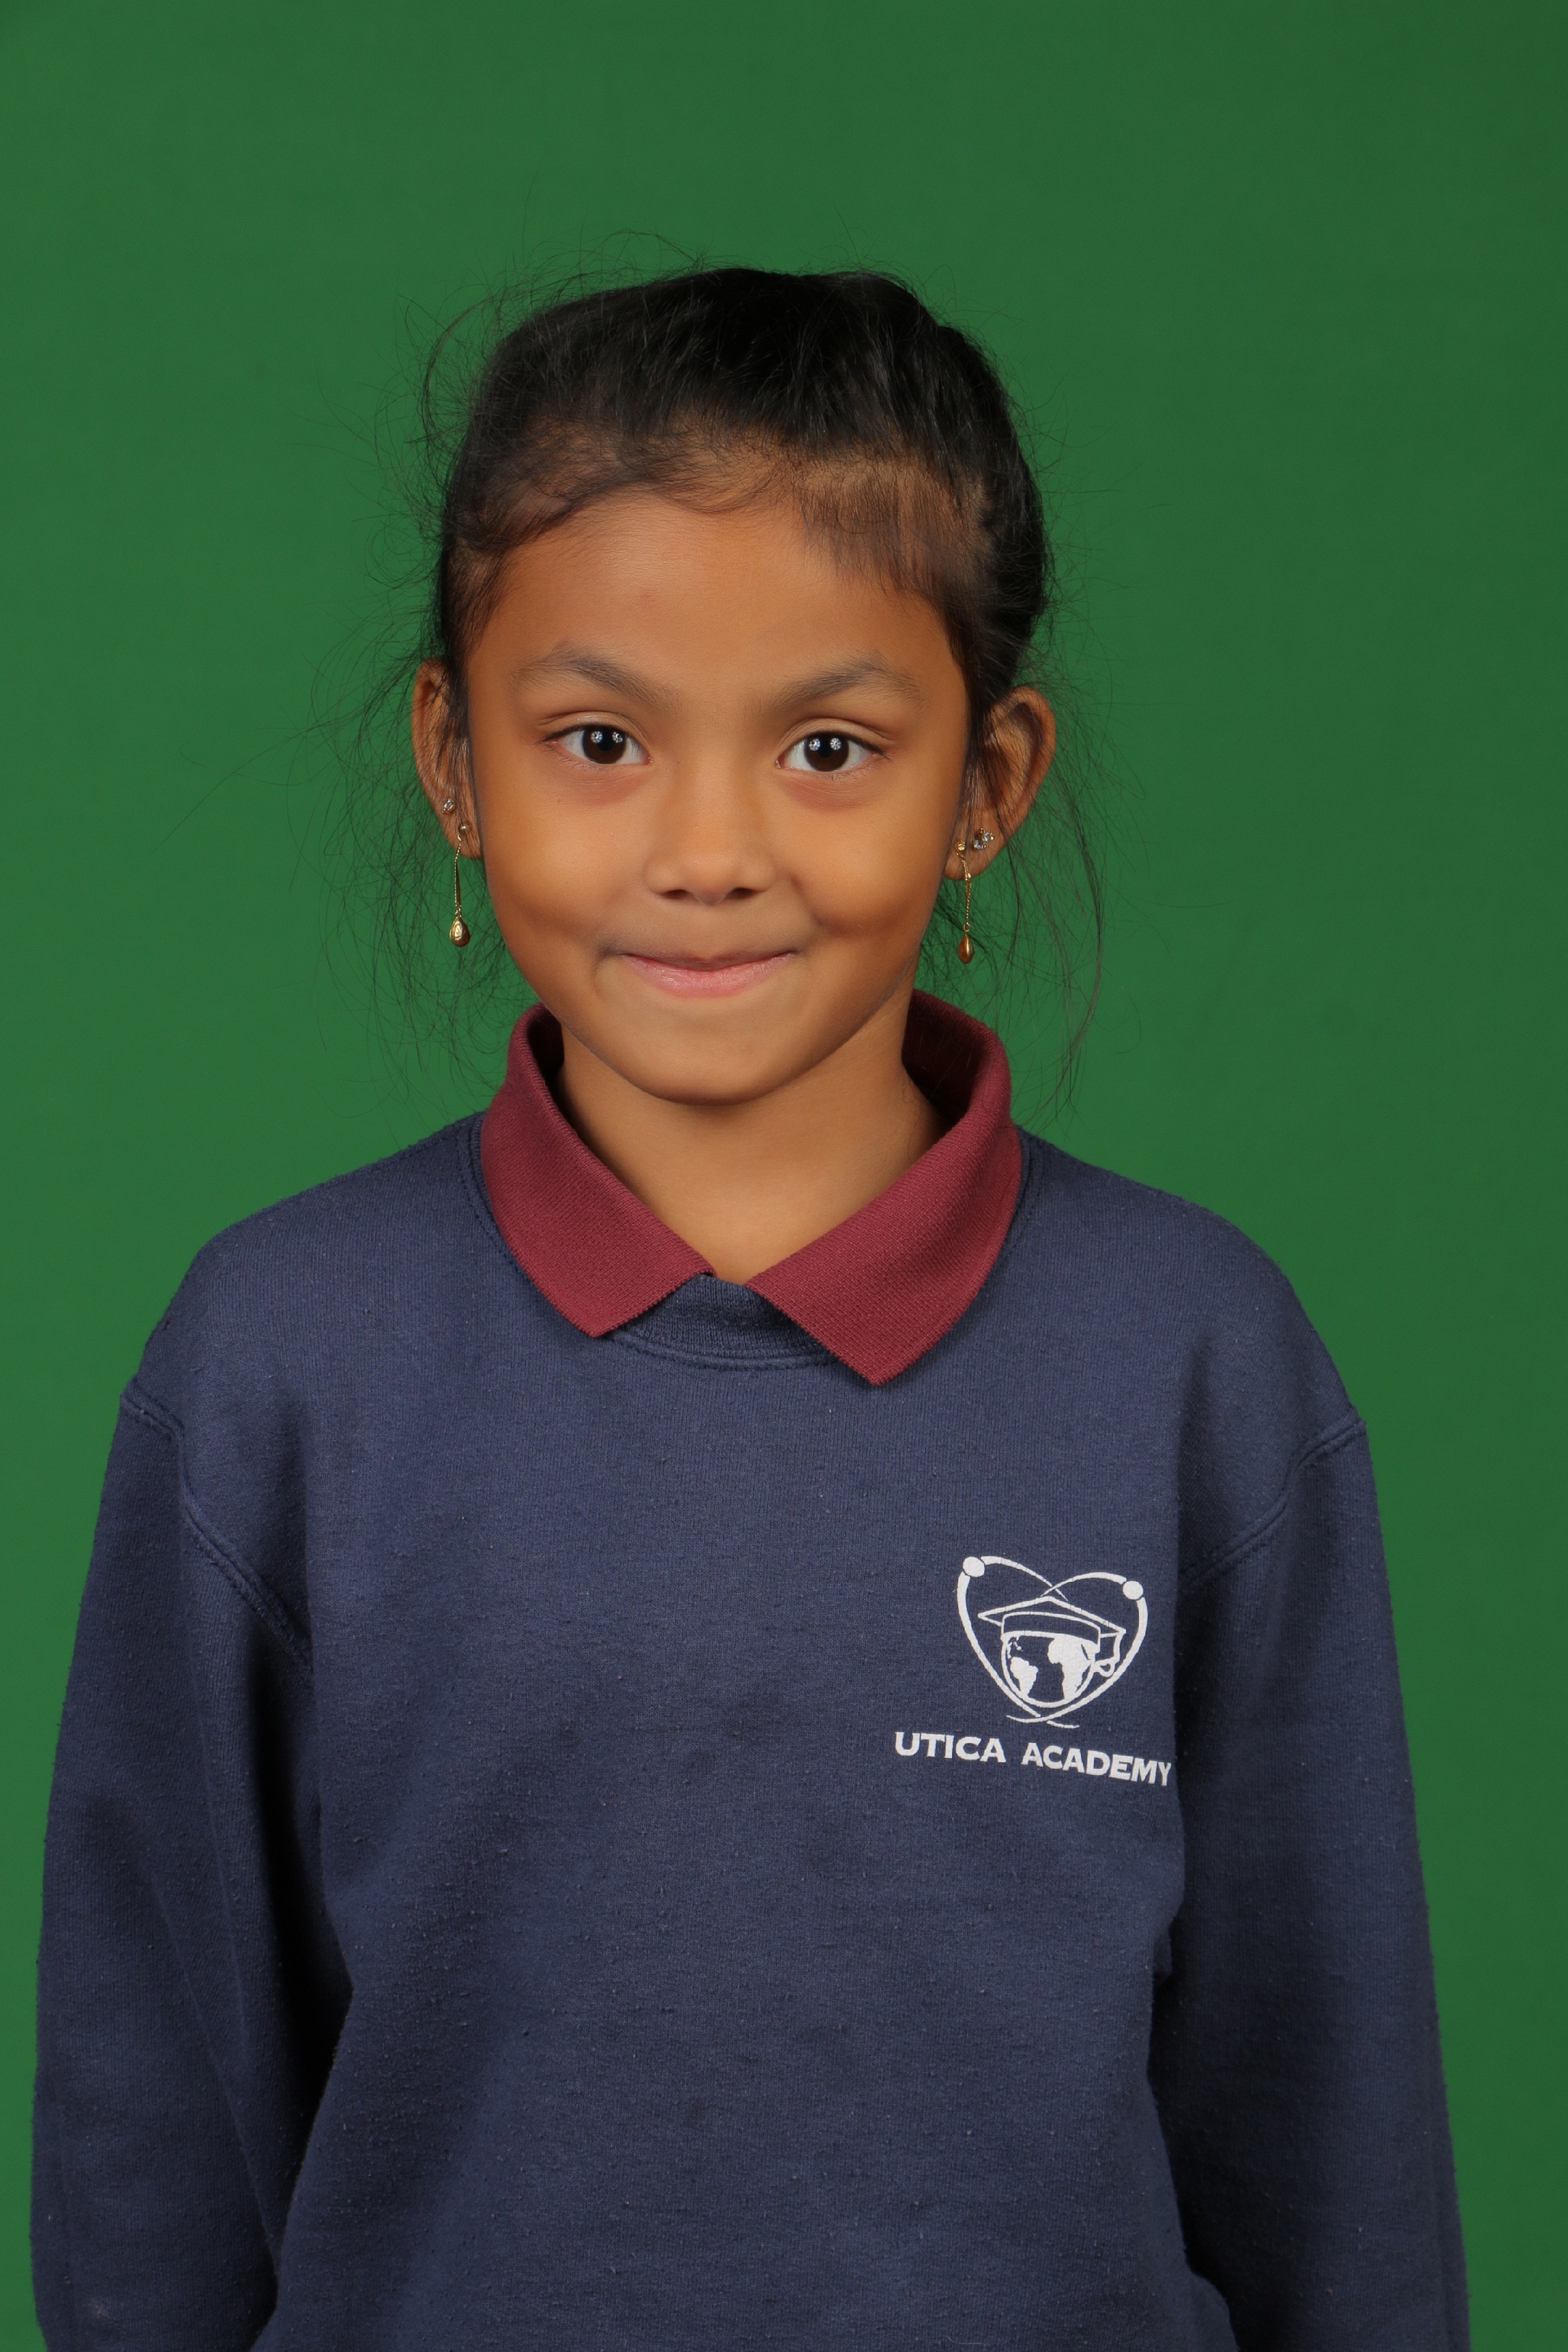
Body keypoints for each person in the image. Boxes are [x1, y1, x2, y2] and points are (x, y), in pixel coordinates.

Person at [32, 267, 1468, 2351]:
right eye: (599, 739)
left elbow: (1333, 2157)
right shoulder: (276, 1361)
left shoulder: (1196, 1360)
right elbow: (149, 2149)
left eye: (828, 745)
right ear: (455, 759)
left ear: (988, 782)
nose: (708, 850)